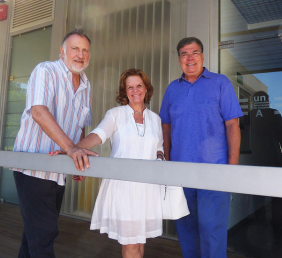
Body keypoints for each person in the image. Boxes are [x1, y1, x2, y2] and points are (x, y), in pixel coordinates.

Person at [12, 26, 98, 258]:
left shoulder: (86, 85)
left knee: (34, 235)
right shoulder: (45, 71)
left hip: (58, 170)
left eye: (85, 50)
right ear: (62, 51)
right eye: (74, 49)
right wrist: (71, 149)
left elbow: (80, 126)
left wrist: (77, 154)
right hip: (33, 168)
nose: (80, 54)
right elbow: (38, 111)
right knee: (44, 235)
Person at [65, 68, 164, 258]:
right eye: (130, 87)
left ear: (146, 89)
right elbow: (97, 135)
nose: (135, 90)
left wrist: (159, 159)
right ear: (124, 92)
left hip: (148, 189)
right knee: (131, 243)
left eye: (138, 86)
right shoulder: (116, 114)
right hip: (123, 189)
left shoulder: (156, 120)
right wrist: (72, 149)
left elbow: (159, 148)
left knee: (139, 241)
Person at [159, 37, 243, 258]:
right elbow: (165, 129)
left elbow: (233, 125)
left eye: (194, 52)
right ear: (179, 60)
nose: (190, 57)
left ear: (203, 56)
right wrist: (167, 164)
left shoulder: (220, 83)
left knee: (212, 231)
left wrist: (231, 168)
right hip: (180, 173)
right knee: (186, 230)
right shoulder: (172, 89)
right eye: (184, 54)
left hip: (214, 172)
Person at [250, 91, 282, 232]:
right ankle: (277, 224)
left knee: (257, 194)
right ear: (267, 101)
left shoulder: (250, 115)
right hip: (274, 158)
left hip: (255, 160)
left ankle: (260, 222)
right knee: (276, 194)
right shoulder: (274, 113)